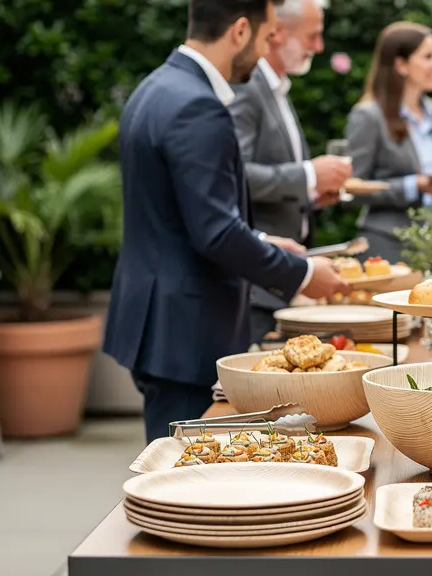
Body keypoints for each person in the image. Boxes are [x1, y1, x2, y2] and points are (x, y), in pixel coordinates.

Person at [103, 0, 350, 443]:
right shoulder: (198, 106)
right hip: (183, 328)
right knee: (181, 480)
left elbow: (185, 215)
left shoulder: (156, 87)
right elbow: (215, 233)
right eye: (266, 35)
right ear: (239, 31)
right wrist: (304, 273)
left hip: (161, 320)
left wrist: (262, 240)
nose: (267, 48)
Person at [229, 0, 353, 344]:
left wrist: (311, 194)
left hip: (276, 279)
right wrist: (309, 176)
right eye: (313, 36)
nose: (319, 46)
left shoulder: (276, 88)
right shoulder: (249, 86)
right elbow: (235, 175)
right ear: (279, 33)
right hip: (256, 280)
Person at [345, 22, 432, 264]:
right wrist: (415, 185)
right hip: (386, 243)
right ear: (401, 65)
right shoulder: (369, 116)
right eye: (428, 56)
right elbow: (353, 188)